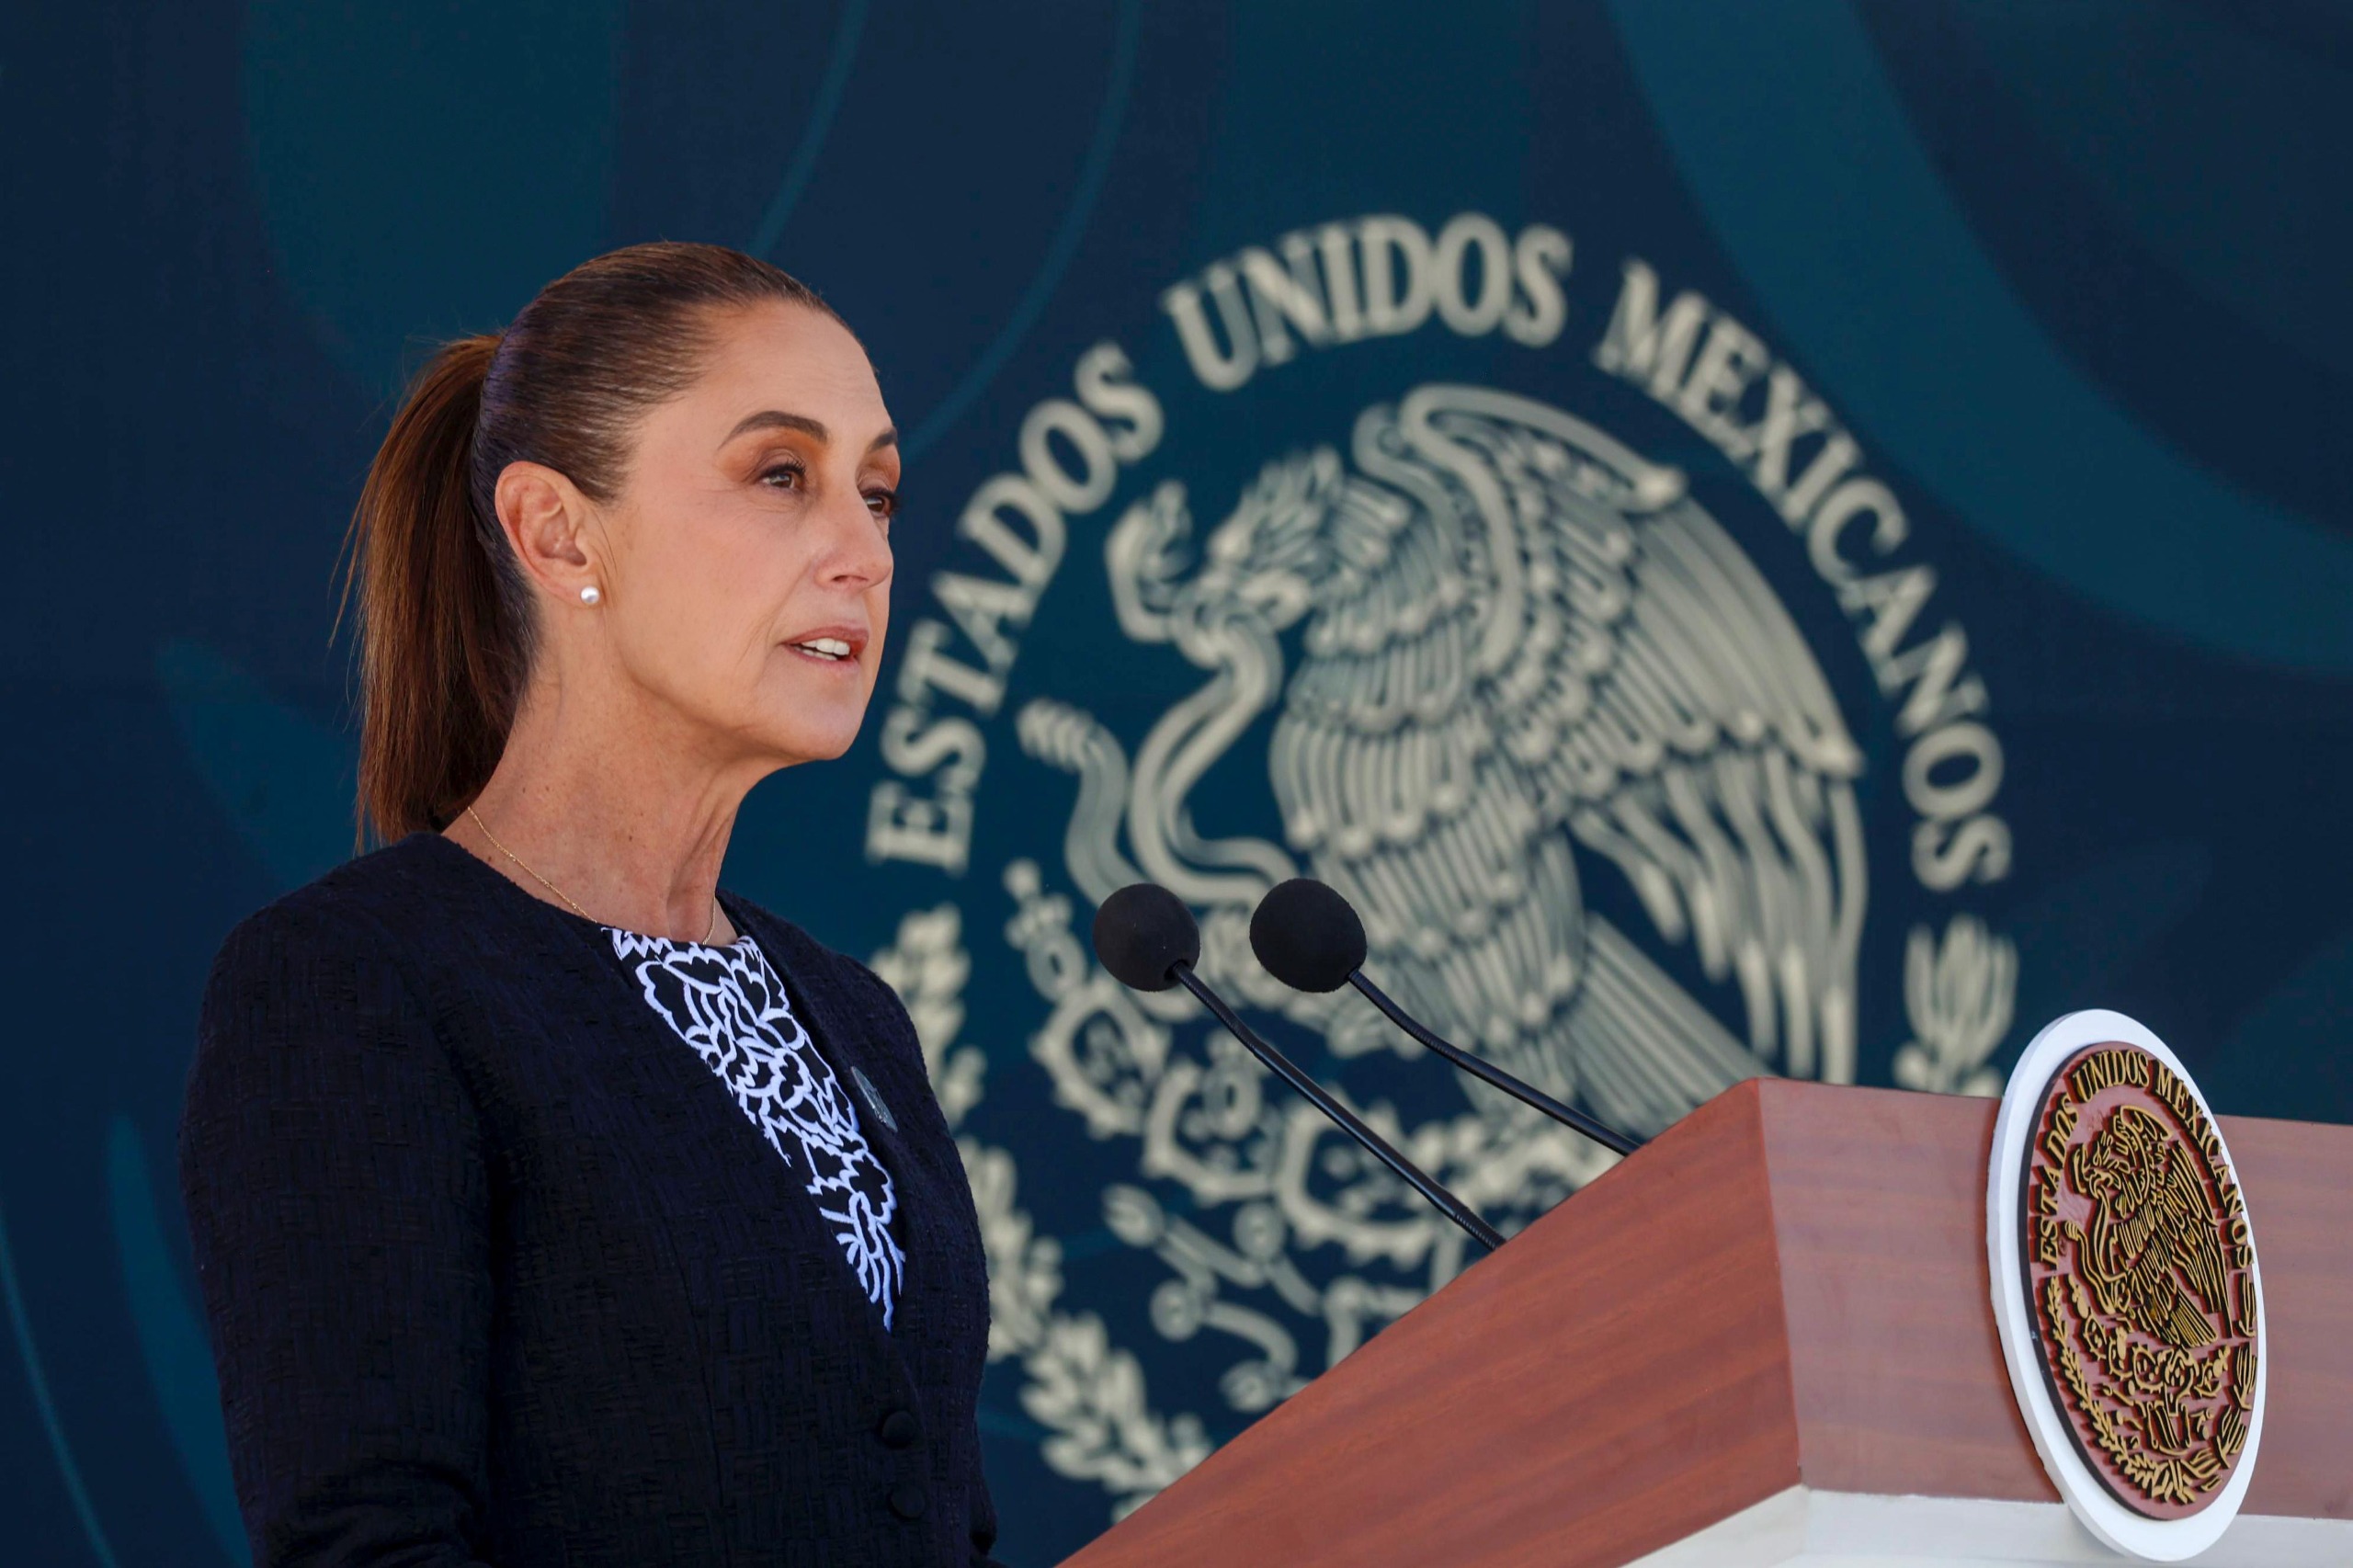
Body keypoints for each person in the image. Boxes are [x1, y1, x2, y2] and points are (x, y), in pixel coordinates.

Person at [177, 242, 1000, 1567]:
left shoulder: (852, 1014)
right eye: (780, 475)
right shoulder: (356, 982)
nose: (864, 553)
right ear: (557, 533)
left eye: (879, 494)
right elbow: (367, 1543)